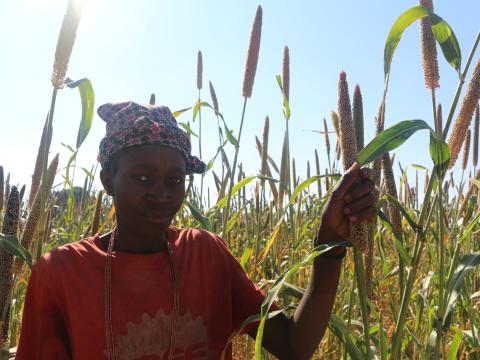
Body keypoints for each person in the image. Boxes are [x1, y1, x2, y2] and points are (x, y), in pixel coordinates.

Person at [16, 101, 376, 360]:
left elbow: (294, 345)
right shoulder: (62, 273)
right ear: (108, 179)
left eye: (174, 179)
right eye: (142, 177)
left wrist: (329, 244)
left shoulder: (206, 255)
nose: (161, 193)